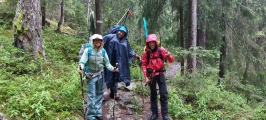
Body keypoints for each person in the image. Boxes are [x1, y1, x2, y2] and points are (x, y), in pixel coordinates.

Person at [78, 34, 119, 120]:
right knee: (91, 94)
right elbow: (82, 62)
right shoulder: (88, 50)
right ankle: (91, 115)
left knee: (99, 94)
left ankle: (98, 112)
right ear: (93, 41)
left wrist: (113, 69)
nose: (98, 42)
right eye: (96, 40)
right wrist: (80, 68)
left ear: (101, 42)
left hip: (100, 75)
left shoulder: (103, 51)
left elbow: (107, 64)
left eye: (99, 40)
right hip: (91, 75)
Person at [141, 34, 174, 120]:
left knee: (163, 94)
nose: (151, 44)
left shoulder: (162, 50)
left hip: (160, 74)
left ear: (156, 42)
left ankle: (165, 115)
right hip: (151, 76)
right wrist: (146, 77)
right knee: (153, 94)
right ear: (148, 43)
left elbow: (171, 60)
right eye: (150, 43)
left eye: (153, 42)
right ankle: (154, 114)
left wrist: (169, 55)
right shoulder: (146, 53)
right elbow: (144, 65)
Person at [103, 25, 140, 99]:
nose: (121, 33)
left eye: (123, 33)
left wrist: (136, 56)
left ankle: (115, 93)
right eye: (120, 31)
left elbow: (130, 51)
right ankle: (108, 92)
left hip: (119, 62)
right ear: (117, 31)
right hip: (110, 60)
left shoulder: (125, 41)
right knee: (110, 75)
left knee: (116, 76)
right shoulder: (110, 37)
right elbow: (100, 41)